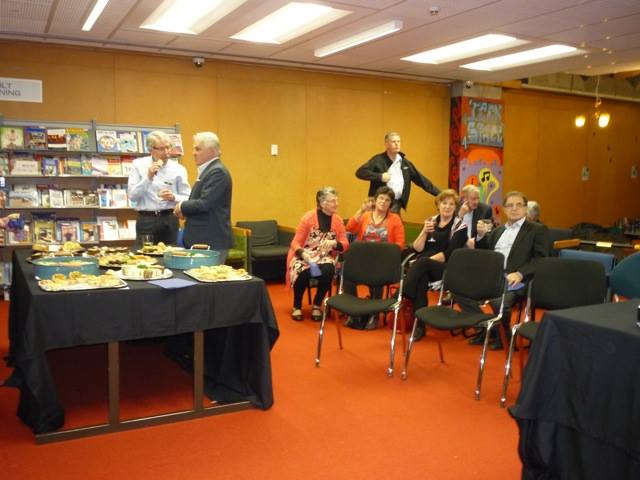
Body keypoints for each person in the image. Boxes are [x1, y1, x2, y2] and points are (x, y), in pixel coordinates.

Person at [462, 191, 549, 350]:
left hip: (517, 279)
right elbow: (484, 250)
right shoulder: (498, 230)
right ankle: (488, 328)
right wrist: (481, 236)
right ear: (504, 209)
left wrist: (520, 273)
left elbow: (541, 260)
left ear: (525, 208)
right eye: (510, 205)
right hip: (492, 277)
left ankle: (504, 335)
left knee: (498, 301)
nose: (514, 208)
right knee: (459, 290)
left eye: (518, 205)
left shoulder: (537, 230)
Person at [403, 189, 468, 340]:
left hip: (446, 268)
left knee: (422, 263)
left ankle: (403, 293)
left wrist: (426, 261)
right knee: (421, 278)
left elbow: (450, 254)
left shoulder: (460, 226)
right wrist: (424, 232)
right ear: (438, 205)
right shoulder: (431, 221)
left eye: (451, 204)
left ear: (455, 207)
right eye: (444, 203)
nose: (447, 207)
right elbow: (417, 248)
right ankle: (420, 326)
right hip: (423, 268)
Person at [344, 186, 405, 329]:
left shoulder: (395, 219)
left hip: (382, 262)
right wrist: (361, 211)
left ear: (390, 204)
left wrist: (384, 253)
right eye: (381, 198)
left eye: (387, 200)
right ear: (375, 200)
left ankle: (374, 314)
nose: (383, 202)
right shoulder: (366, 215)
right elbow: (350, 228)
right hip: (363, 259)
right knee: (347, 274)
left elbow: (400, 244)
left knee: (377, 276)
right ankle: (354, 312)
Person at [287, 187, 349, 322]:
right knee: (302, 270)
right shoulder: (308, 218)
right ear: (322, 203)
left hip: (324, 256)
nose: (337, 204)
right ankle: (297, 305)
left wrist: (334, 243)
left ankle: (317, 304)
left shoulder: (338, 220)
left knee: (328, 270)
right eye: (333, 201)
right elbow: (295, 242)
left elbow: (345, 244)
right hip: (305, 254)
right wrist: (303, 254)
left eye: (337, 200)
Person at [173, 131, 233, 262]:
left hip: (210, 241)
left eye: (198, 149)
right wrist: (185, 211)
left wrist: (181, 206)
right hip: (203, 240)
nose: (193, 153)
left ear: (211, 151)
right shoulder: (209, 170)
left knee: (208, 275)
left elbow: (204, 203)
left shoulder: (217, 172)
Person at [128, 130, 191, 245]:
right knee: (144, 253)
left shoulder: (179, 169)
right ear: (151, 149)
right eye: (161, 149)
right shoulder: (138, 165)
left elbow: (188, 197)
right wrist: (148, 177)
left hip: (169, 218)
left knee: (170, 253)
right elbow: (132, 196)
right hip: (146, 219)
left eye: (168, 147)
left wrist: (174, 197)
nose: (166, 152)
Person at [355, 132, 440, 213]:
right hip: (379, 204)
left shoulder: (405, 163)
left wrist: (440, 193)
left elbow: (422, 180)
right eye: (393, 142)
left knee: (395, 223)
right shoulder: (378, 160)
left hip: (396, 204)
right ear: (387, 144)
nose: (397, 144)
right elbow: (360, 172)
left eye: (398, 141)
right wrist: (380, 177)